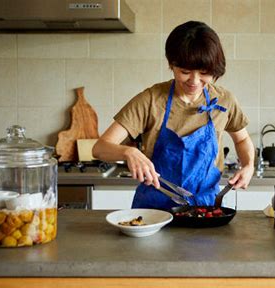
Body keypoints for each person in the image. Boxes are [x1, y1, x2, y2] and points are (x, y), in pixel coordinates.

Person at [92, 21, 255, 210]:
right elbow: (99, 148)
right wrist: (129, 152)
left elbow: (242, 139)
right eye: (185, 72)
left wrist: (248, 165)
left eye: (204, 73)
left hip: (206, 209)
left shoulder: (224, 100)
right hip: (154, 211)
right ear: (171, 64)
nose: (194, 81)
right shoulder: (151, 100)